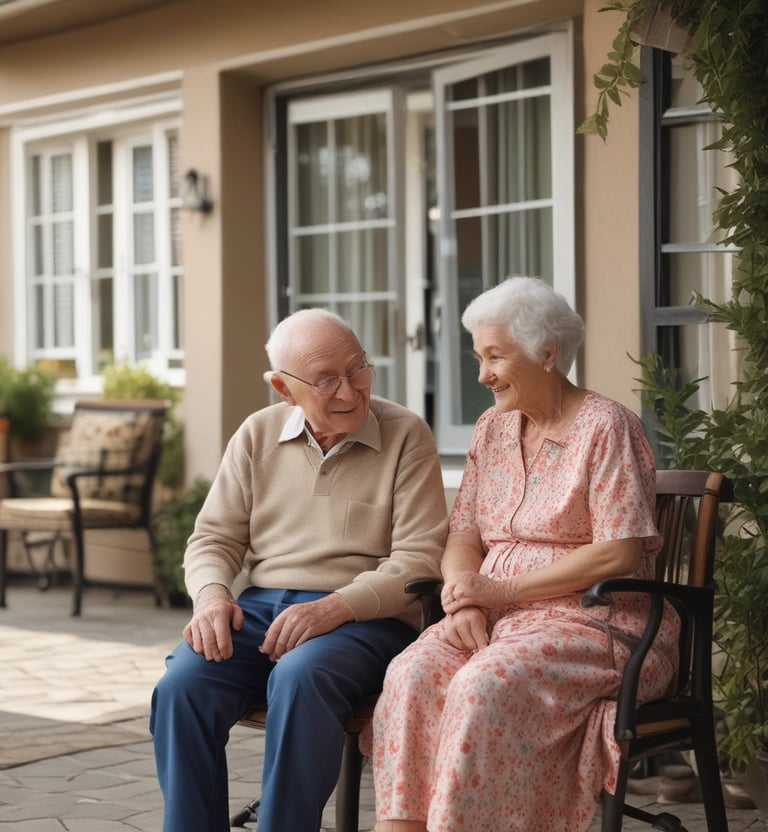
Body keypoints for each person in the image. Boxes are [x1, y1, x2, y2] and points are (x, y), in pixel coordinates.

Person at [370, 277, 679, 832]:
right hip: (495, 616)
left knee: (482, 684)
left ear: (547, 352)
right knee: (412, 672)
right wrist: (464, 600)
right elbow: (463, 534)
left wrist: (503, 590)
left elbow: (619, 551)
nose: (482, 374)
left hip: (594, 621)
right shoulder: (491, 428)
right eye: (478, 357)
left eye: (494, 356)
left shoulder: (605, 426)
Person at [151, 308, 448, 832]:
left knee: (300, 675)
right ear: (283, 389)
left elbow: (419, 559)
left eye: (358, 369)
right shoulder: (256, 434)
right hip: (261, 608)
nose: (350, 391)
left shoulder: (406, 434)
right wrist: (212, 596)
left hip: (364, 618)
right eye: (327, 380)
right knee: (183, 688)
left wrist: (335, 607)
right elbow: (214, 538)